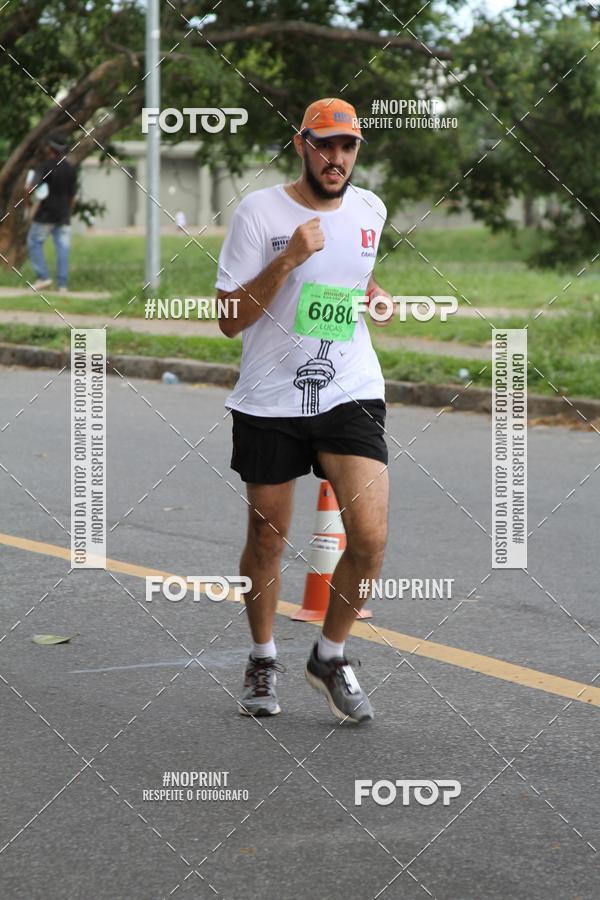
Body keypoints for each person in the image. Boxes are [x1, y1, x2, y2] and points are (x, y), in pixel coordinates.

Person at [215, 97, 394, 724]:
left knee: (369, 539)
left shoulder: (371, 208)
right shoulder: (259, 212)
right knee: (268, 536)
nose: (336, 158)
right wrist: (287, 258)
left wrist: (373, 294)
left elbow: (353, 272)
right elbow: (228, 321)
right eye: (325, 145)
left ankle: (330, 653)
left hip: (349, 386)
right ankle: (262, 655)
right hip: (269, 397)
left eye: (347, 147)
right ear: (302, 144)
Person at [26, 131, 78, 292]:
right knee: (63, 247)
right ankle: (63, 285)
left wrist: (28, 200)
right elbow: (72, 196)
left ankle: (43, 277)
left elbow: (31, 187)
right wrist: (67, 211)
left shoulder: (44, 167)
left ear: (49, 148)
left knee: (34, 242)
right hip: (63, 214)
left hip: (45, 213)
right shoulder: (70, 168)